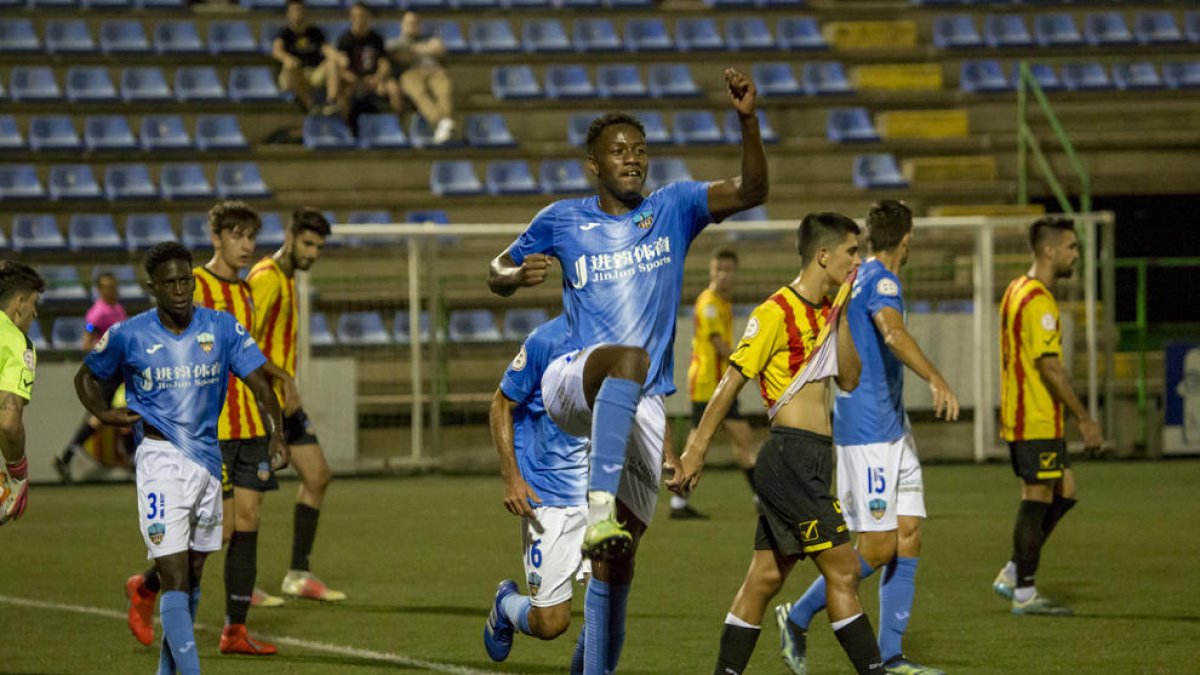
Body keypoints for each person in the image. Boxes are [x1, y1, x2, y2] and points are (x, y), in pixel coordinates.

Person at [487, 67, 768, 675]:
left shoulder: (674, 208)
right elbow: (497, 270)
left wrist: (748, 120)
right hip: (575, 379)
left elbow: (750, 191)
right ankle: (596, 511)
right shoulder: (562, 219)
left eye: (640, 151)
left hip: (637, 404)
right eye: (619, 151)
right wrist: (514, 278)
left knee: (619, 564)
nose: (633, 159)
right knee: (627, 360)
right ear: (594, 164)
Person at [675, 212, 887, 675]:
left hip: (812, 459)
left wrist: (844, 316)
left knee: (765, 577)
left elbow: (849, 379)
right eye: (852, 252)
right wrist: (696, 449)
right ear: (823, 255)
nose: (858, 261)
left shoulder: (830, 310)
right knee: (845, 569)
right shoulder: (775, 312)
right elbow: (730, 381)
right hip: (789, 456)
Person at [76, 242, 287, 675]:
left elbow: (261, 386)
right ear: (152, 288)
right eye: (168, 282)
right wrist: (103, 412)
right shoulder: (130, 334)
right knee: (173, 572)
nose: (178, 289)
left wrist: (277, 433)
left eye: (185, 280)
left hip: (208, 462)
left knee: (192, 570)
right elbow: (86, 376)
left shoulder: (221, 328)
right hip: (159, 460)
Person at [775, 201, 958, 675]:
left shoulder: (861, 276)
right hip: (869, 432)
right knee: (876, 546)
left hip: (893, 428)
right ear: (908, 238)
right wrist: (936, 378)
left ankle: (893, 656)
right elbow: (892, 334)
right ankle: (796, 617)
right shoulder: (881, 280)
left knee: (909, 536)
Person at [125, 202, 298, 655]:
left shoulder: (244, 292)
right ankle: (146, 589)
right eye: (236, 236)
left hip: (249, 426)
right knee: (215, 533)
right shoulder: (190, 284)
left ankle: (234, 631)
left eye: (250, 238)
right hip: (205, 432)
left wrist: (276, 392)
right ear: (216, 236)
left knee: (249, 521)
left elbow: (248, 356)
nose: (246, 246)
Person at [992, 217, 1102, 616]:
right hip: (1032, 417)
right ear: (1049, 250)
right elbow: (1050, 366)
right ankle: (1023, 591)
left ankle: (1014, 569)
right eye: (1071, 247)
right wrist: (1085, 418)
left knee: (1065, 491)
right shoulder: (1038, 300)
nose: (1076, 254)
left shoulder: (1015, 289)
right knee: (1036, 496)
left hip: (1036, 416)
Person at [246, 208, 345, 602]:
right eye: (307, 243)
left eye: (319, 246)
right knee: (249, 497)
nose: (313, 253)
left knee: (317, 475)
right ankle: (244, 585)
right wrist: (283, 378)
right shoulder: (266, 278)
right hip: (260, 401)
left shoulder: (288, 278)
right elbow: (243, 341)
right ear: (289, 236)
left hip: (283, 403)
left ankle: (298, 575)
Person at [483, 315, 590, 664]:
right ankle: (506, 605)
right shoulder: (546, 340)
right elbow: (501, 403)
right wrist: (512, 477)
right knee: (551, 622)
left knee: (605, 604)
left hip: (599, 494)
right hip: (546, 495)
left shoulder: (625, 335)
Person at [673, 247, 757, 520]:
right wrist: (749, 365)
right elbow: (719, 345)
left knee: (727, 440)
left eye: (728, 270)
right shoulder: (709, 303)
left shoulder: (722, 302)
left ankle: (679, 503)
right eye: (718, 269)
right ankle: (762, 498)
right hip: (709, 383)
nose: (723, 275)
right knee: (731, 439)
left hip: (717, 383)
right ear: (711, 271)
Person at [54, 272, 130, 483]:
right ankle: (67, 455)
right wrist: (108, 352)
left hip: (120, 372)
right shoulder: (98, 313)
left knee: (108, 417)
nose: (112, 290)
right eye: (107, 287)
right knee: (104, 417)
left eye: (114, 286)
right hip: (107, 374)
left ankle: (67, 455)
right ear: (99, 290)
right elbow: (87, 342)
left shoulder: (118, 308)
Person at [0, 261, 44, 526]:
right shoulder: (16, 342)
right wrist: (18, 473)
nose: (35, 313)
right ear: (19, 303)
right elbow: (8, 423)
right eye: (34, 303)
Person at [387, 11, 455, 145]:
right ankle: (440, 122)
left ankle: (445, 122)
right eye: (409, 23)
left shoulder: (430, 38)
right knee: (419, 94)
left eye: (416, 23)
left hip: (435, 71)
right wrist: (426, 50)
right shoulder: (395, 42)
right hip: (411, 73)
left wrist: (414, 50)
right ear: (402, 25)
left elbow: (439, 48)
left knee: (444, 90)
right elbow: (399, 55)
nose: (413, 26)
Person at [335, 3, 401, 120]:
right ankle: (345, 128)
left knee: (394, 88)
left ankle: (397, 124)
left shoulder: (376, 38)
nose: (360, 20)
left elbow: (384, 63)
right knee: (342, 95)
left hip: (374, 79)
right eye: (356, 16)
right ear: (351, 18)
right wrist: (356, 81)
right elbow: (341, 69)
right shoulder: (344, 39)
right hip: (353, 81)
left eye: (363, 16)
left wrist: (378, 78)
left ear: (369, 18)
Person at [272, 0, 339, 115]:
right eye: (294, 11)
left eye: (299, 10)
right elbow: (276, 51)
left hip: (314, 73)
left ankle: (331, 101)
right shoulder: (284, 33)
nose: (297, 13)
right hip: (294, 75)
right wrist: (287, 58)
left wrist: (338, 57)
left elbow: (327, 49)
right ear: (288, 14)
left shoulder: (315, 32)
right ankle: (309, 104)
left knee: (332, 63)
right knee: (289, 66)